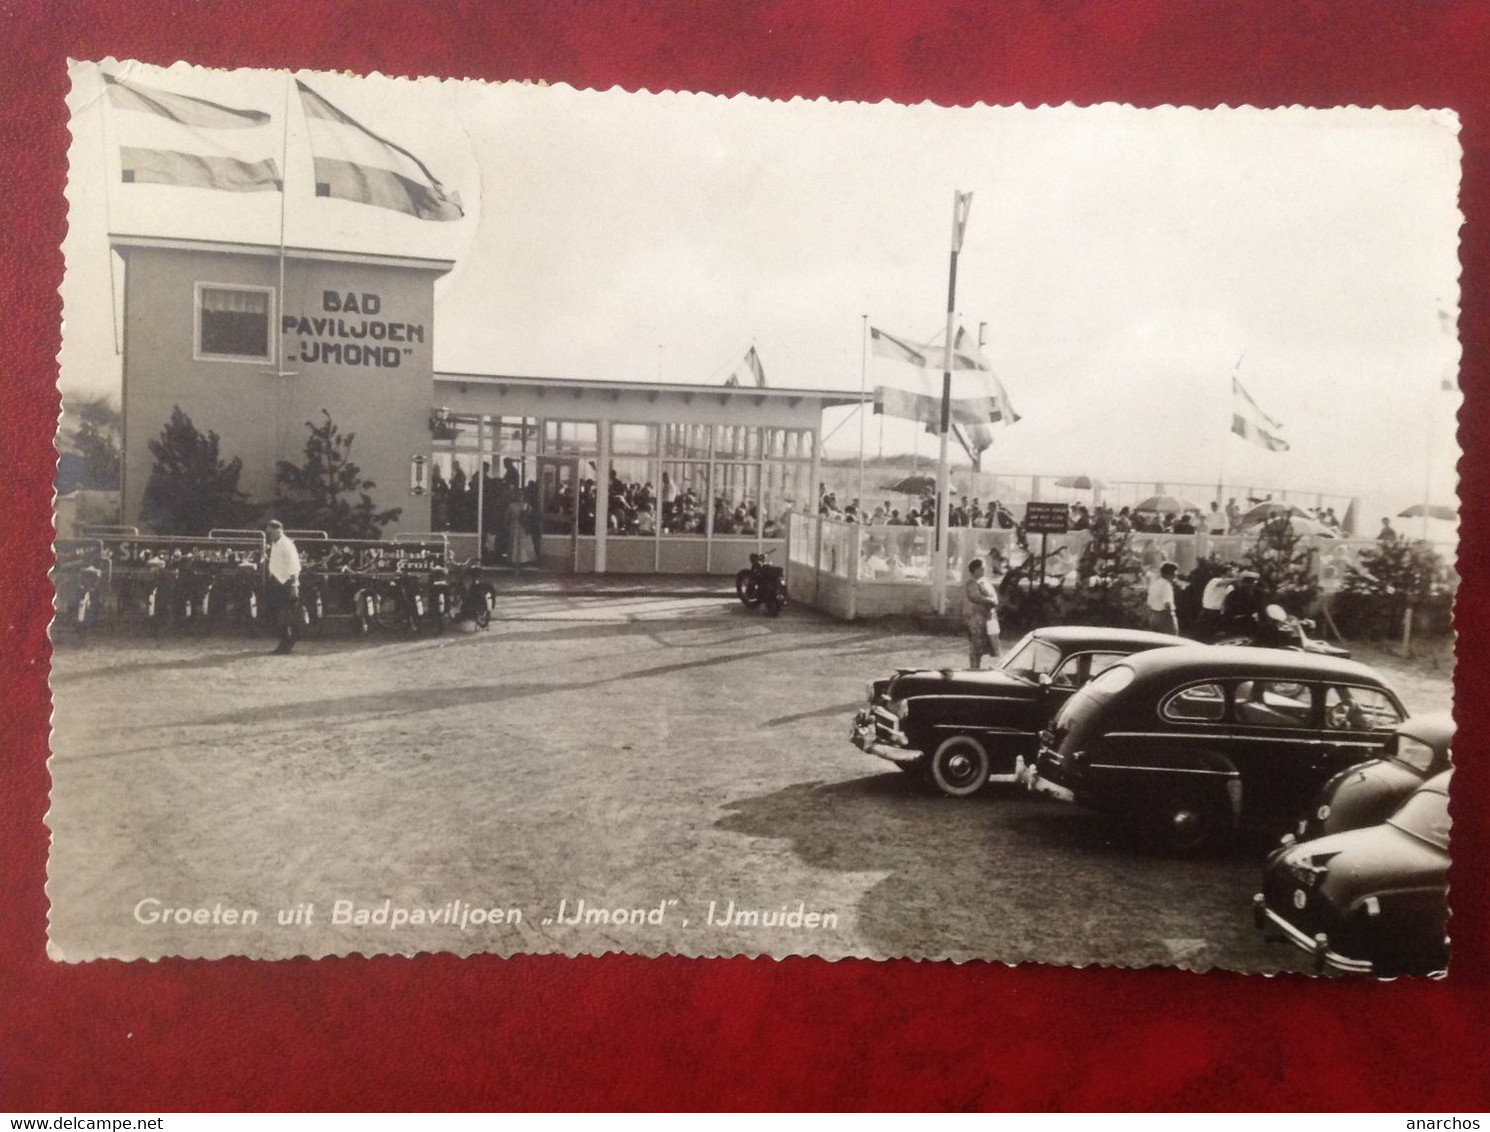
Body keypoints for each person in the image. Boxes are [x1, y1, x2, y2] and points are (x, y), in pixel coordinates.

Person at [264, 519, 301, 655]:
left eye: (271, 532)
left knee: (285, 615)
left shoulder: (287, 544)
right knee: (274, 613)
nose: (270, 536)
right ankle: (286, 641)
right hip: (276, 582)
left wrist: (294, 585)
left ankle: (287, 642)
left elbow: (295, 566)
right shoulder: (275, 543)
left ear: (279, 530)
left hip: (286, 583)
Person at [963, 558, 1002, 669]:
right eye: (981, 568)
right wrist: (990, 601)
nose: (983, 570)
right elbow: (975, 596)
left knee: (989, 643)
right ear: (976, 570)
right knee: (976, 645)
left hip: (988, 618)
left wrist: (994, 600)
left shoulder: (984, 582)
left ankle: (982, 669)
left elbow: (993, 595)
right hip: (977, 619)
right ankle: (974, 668)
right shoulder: (971, 583)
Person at [1197, 563, 1237, 640]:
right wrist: (1238, 578)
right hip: (1208, 613)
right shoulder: (1214, 580)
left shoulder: (1230, 587)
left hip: (1220, 615)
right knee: (1204, 638)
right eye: (1233, 570)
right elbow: (1221, 583)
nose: (1235, 573)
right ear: (1227, 571)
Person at [1146, 562, 1180, 635]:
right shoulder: (1166, 586)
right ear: (1168, 574)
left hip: (1153, 616)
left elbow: (1149, 603)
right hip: (1164, 617)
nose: (1175, 575)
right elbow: (1167, 604)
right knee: (1172, 640)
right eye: (1174, 573)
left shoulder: (1154, 584)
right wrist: (1171, 618)